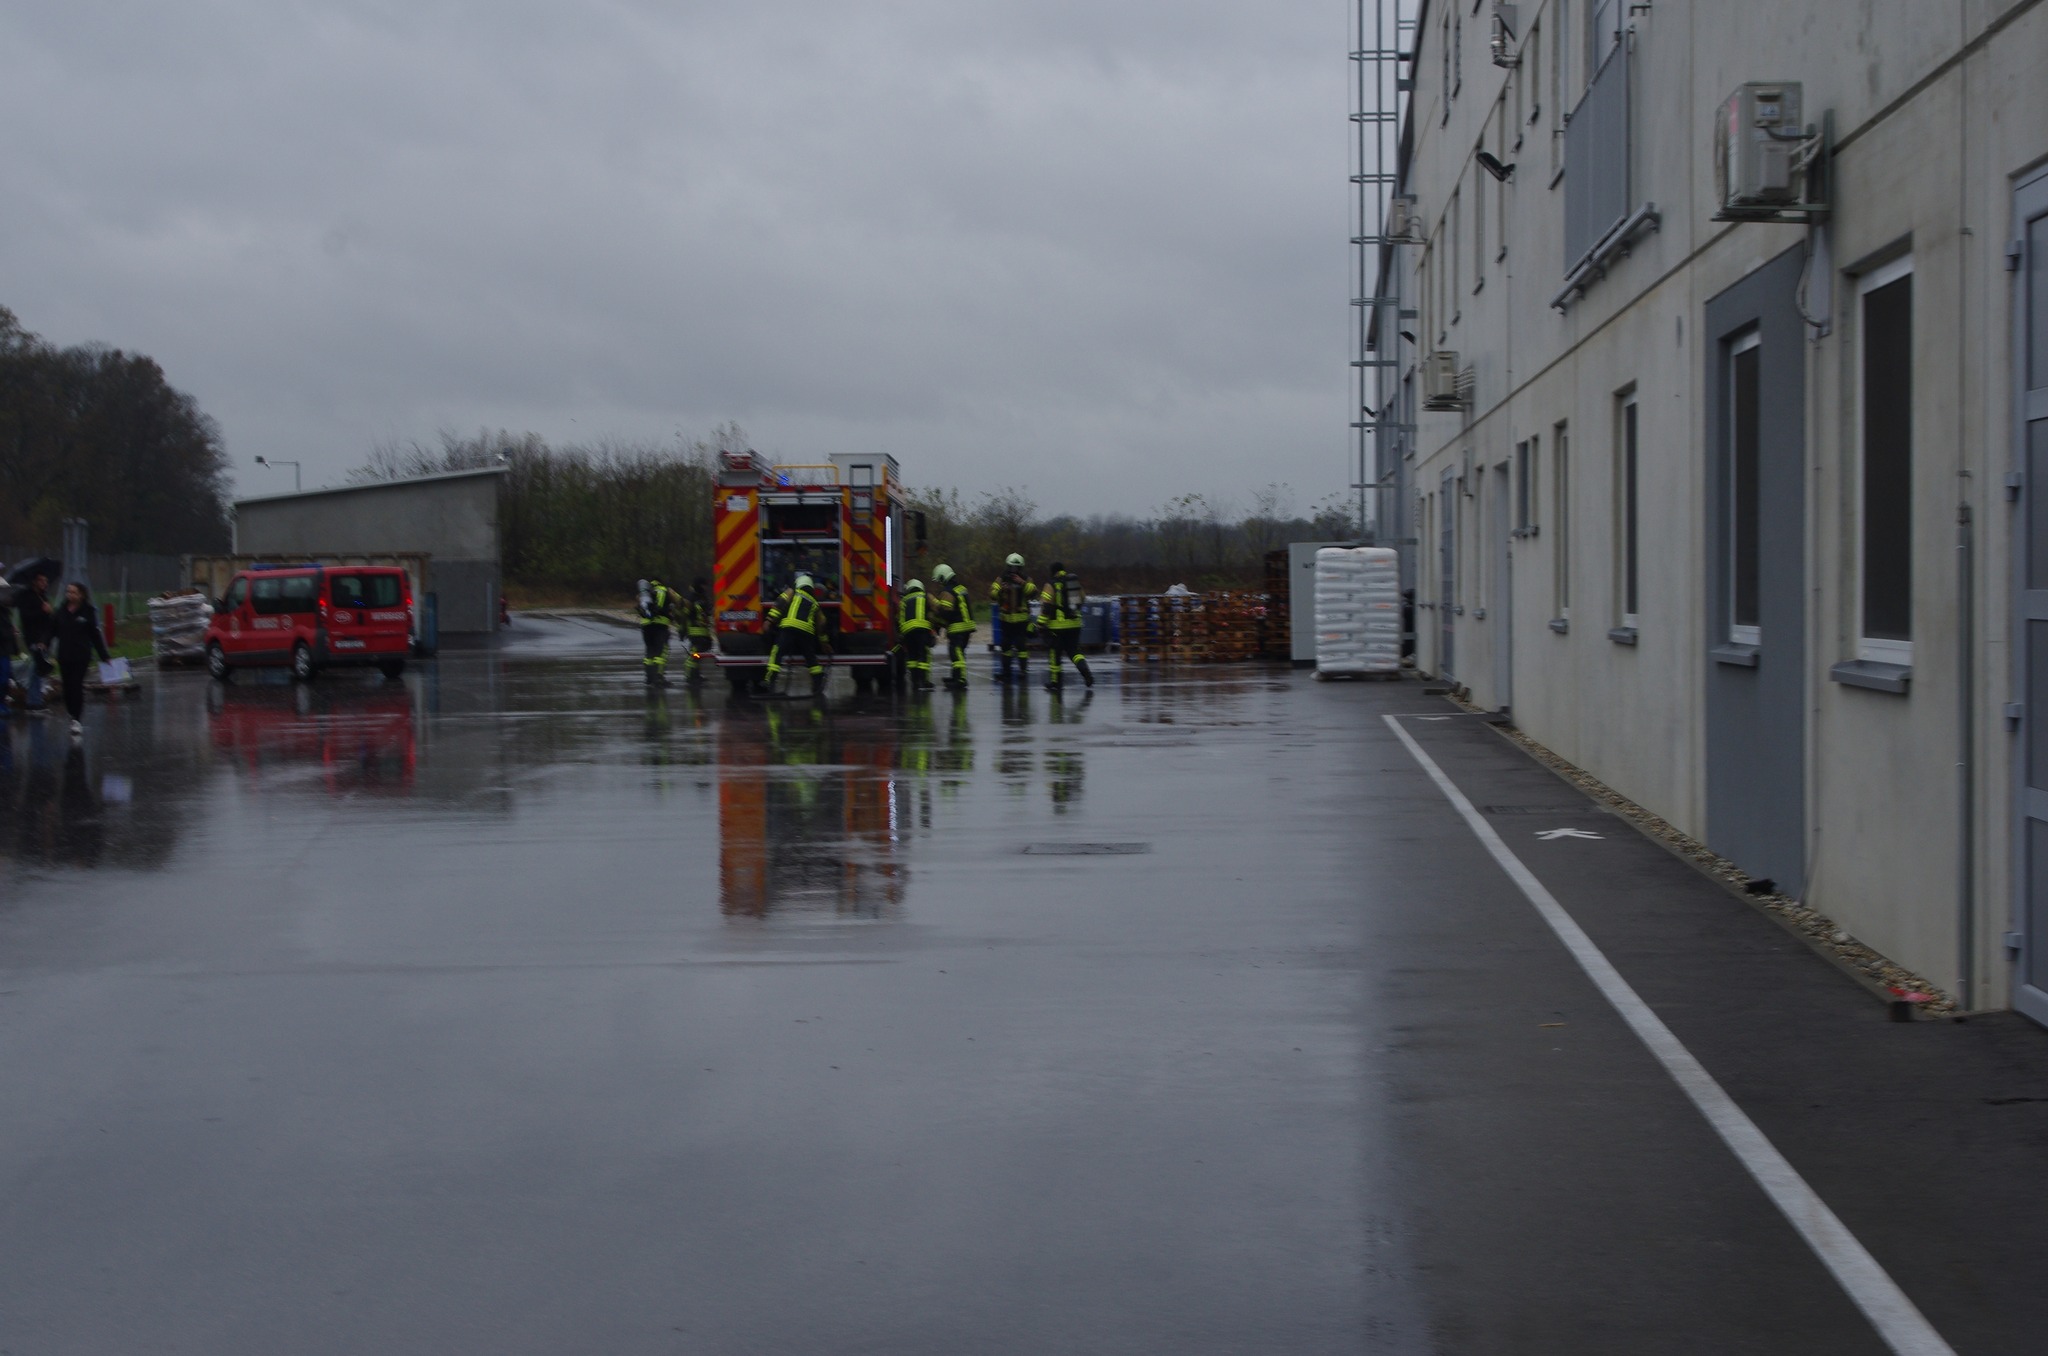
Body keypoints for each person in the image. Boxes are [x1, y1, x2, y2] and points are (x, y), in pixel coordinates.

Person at [51, 581, 110, 738]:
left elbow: (95, 635)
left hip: (81, 655)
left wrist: (104, 655)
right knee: (68, 688)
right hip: (64, 655)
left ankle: (76, 719)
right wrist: (44, 642)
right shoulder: (61, 611)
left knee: (76, 685)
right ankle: (72, 714)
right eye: (68, 592)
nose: (70, 595)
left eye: (73, 592)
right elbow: (52, 629)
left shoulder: (88, 612)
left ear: (81, 595)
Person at [763, 573, 826, 697]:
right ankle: (818, 682)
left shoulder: (793, 592)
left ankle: (769, 681)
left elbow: (780, 604)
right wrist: (824, 642)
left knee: (777, 652)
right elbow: (822, 622)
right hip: (806, 632)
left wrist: (769, 620)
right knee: (810, 657)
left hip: (789, 628)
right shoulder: (814, 603)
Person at [1036, 562, 1094, 694]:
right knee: (1074, 652)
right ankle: (1085, 671)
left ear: (1052, 571)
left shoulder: (1050, 584)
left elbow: (1046, 607)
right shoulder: (1073, 582)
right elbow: (1083, 598)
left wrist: (1040, 624)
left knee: (1055, 655)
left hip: (1057, 627)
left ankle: (1056, 682)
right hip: (1074, 625)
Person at [988, 553, 1035, 684]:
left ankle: (1023, 672)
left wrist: (1023, 583)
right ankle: (1006, 673)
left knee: (1021, 646)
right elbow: (992, 593)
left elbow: (1033, 593)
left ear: (1021, 568)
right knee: (1005, 647)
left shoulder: (1026, 579)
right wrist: (1001, 591)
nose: (1013, 571)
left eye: (1016, 568)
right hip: (1006, 619)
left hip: (1021, 620)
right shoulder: (1001, 579)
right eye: (1011, 567)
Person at [930, 564, 975, 689]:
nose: (939, 584)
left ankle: (960, 679)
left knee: (955, 652)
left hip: (957, 627)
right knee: (959, 653)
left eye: (939, 580)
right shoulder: (961, 589)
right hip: (967, 626)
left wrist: (935, 606)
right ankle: (955, 677)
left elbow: (946, 612)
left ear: (943, 577)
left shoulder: (947, 592)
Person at [18, 572, 53, 715]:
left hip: (43, 638)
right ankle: (33, 702)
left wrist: (49, 612)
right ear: (34, 582)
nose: (44, 583)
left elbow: (47, 620)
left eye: (45, 580)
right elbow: (26, 617)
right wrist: (42, 610)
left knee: (40, 669)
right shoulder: (28, 597)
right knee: (36, 669)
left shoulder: (43, 596)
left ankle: (36, 699)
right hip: (33, 638)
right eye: (41, 580)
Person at [897, 579, 935, 691]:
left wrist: (900, 634)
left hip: (908, 632)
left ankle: (915, 681)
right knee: (923, 654)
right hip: (922, 630)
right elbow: (934, 611)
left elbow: (899, 618)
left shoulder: (904, 600)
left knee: (912, 657)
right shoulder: (925, 596)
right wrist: (933, 628)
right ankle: (923, 681)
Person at [640, 576, 678, 684]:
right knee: (661, 652)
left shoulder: (647, 592)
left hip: (646, 626)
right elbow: (661, 606)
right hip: (659, 625)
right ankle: (659, 677)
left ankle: (649, 678)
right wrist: (670, 615)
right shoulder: (662, 590)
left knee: (649, 651)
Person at [681, 578, 714, 686]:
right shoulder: (691, 598)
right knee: (695, 654)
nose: (706, 588)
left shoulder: (703, 597)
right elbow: (685, 615)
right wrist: (683, 630)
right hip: (695, 631)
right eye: (704, 585)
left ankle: (696, 675)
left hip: (703, 631)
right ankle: (690, 676)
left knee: (698, 654)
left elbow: (708, 611)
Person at [0, 582, 16, 717]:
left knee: (5, 677)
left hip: (5, 649)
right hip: (2, 648)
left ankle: (3, 702)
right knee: (3, 677)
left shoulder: (5, 611)